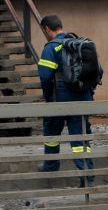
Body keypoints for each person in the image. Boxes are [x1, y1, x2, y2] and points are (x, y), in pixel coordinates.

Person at [36, 14, 94, 184]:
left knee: (52, 133)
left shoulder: (51, 47)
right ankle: (87, 176)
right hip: (82, 98)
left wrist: (48, 97)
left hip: (58, 98)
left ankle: (51, 167)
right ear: (60, 26)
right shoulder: (80, 44)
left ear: (47, 29)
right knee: (80, 138)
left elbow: (45, 77)